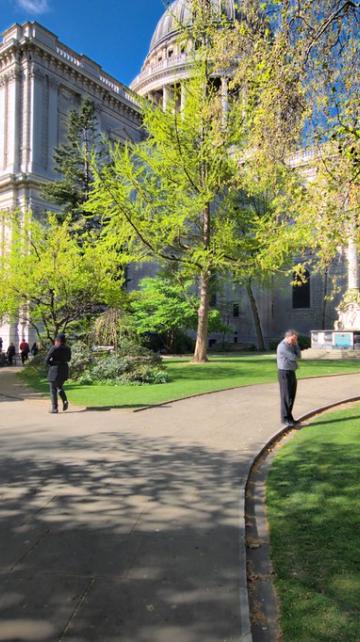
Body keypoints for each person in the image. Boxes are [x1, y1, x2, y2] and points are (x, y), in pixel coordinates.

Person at [277, 329, 301, 428]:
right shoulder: (282, 346)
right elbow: (294, 357)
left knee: (291, 396)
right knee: (286, 396)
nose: (294, 341)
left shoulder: (292, 345)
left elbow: (299, 355)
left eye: (295, 339)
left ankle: (290, 417)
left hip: (291, 372)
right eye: (293, 339)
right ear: (287, 337)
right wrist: (295, 347)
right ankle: (285, 419)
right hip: (284, 373)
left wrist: (295, 344)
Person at [45, 333, 71, 414]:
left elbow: (46, 360)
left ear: (57, 340)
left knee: (53, 389)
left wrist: (52, 363)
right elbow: (69, 359)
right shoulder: (67, 348)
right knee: (59, 386)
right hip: (64, 369)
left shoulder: (54, 348)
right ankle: (65, 400)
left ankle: (54, 408)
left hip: (55, 370)